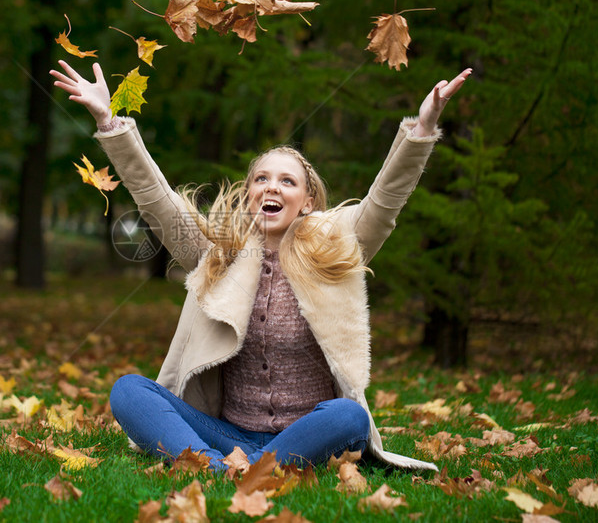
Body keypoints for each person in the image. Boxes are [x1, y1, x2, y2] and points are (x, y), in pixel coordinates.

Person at [51, 59, 472, 472]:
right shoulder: (217, 255)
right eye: (261, 178)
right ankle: (229, 466)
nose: (272, 186)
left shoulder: (336, 247)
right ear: (249, 193)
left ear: (308, 201)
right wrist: (110, 123)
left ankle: (222, 468)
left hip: (309, 433)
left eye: (287, 181)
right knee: (129, 391)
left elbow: (385, 201)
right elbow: (156, 201)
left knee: (350, 418)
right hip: (226, 433)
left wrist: (421, 130)